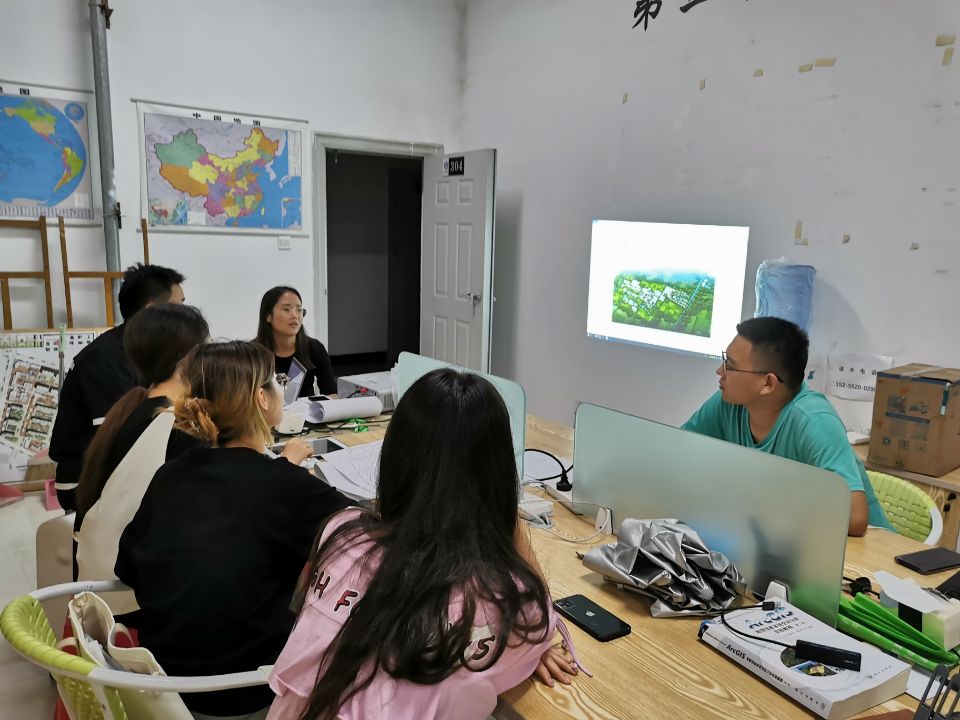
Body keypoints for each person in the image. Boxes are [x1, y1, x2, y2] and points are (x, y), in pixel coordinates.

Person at [266, 368, 584, 720]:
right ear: (498, 478)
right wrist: (505, 514)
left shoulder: (341, 533)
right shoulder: (501, 602)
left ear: (394, 460)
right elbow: (540, 621)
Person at [115, 341, 351, 720]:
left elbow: (127, 568)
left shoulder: (171, 473)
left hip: (163, 684)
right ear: (261, 398)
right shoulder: (283, 487)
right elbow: (363, 535)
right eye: (275, 382)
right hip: (243, 695)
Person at [682, 316, 892, 537]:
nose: (720, 371)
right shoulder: (728, 403)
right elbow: (678, 454)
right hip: (781, 540)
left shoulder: (814, 421)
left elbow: (855, 519)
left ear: (768, 383)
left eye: (730, 366)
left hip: (866, 549)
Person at [49, 263, 186, 510]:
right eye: (179, 307)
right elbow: (124, 437)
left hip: (120, 466)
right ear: (152, 311)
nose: (186, 316)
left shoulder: (144, 349)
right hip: (85, 479)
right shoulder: (106, 358)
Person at [254, 286, 336, 398]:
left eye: (299, 310)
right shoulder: (253, 353)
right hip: (267, 409)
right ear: (268, 316)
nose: (295, 315)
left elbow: (331, 392)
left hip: (307, 409)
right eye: (286, 309)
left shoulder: (314, 348)